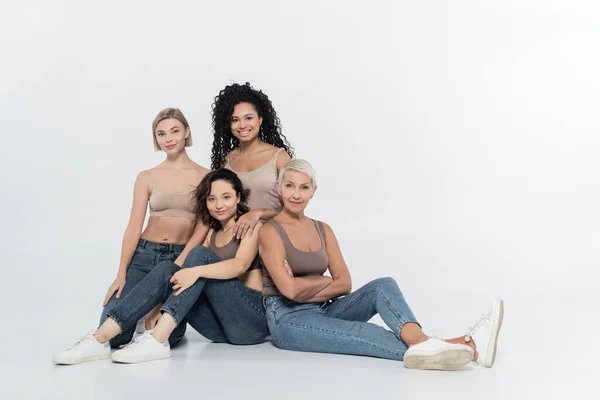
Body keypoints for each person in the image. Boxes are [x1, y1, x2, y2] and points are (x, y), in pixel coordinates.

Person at [259, 159, 504, 370]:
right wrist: (324, 281)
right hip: (288, 318)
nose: (296, 194)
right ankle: (464, 345)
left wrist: (308, 285)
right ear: (279, 187)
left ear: (314, 191)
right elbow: (288, 291)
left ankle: (424, 342)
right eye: (289, 186)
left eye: (304, 187)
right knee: (361, 333)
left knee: (382, 286)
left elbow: (344, 283)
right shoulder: (271, 232)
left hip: (325, 308)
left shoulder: (323, 229)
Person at [53, 169, 268, 364]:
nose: (219, 205)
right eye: (212, 199)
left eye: (226, 197)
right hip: (219, 330)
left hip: (250, 324)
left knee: (197, 256)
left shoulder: (250, 226)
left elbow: (239, 265)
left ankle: (158, 339)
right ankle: (99, 338)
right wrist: (158, 305)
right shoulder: (211, 232)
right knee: (169, 268)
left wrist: (196, 271)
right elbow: (184, 274)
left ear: (239, 197)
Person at [97, 107, 210, 349]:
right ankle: (137, 312)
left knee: (169, 337)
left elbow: (203, 228)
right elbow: (133, 227)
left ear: (186, 132)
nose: (168, 139)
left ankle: (145, 310)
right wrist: (121, 274)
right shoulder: (147, 177)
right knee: (114, 337)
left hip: (179, 256)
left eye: (175, 131)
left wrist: (180, 263)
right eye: (161, 134)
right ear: (156, 139)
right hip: (144, 255)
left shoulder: (206, 176)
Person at [211, 82, 293, 239]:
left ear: (260, 119)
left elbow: (294, 207)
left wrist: (259, 213)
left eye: (248, 118)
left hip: (273, 238)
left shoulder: (279, 158)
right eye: (235, 120)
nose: (242, 125)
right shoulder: (226, 161)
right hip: (235, 241)